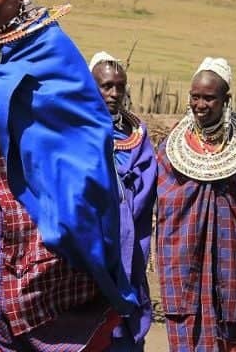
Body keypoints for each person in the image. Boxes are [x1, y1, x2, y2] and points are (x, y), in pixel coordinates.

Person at [0, 0, 138, 350]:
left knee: (56, 306)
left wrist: (72, 196)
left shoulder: (50, 46)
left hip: (55, 198)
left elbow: (85, 123)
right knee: (9, 313)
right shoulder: (1, 49)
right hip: (13, 206)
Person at [157, 57, 236, 352]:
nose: (200, 105)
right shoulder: (172, 147)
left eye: (209, 98)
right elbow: (169, 200)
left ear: (226, 100)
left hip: (233, 258)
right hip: (187, 259)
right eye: (195, 97)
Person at [90, 51, 156, 351]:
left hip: (130, 242)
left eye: (119, 86)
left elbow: (147, 185)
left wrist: (122, 205)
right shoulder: (78, 130)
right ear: (90, 85)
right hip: (90, 244)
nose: (114, 93)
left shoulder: (138, 136)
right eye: (106, 86)